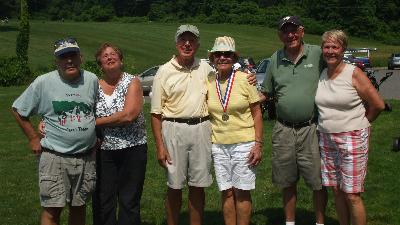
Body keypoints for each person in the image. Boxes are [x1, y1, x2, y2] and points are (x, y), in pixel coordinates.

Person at [11, 38, 98, 225]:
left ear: (80, 57)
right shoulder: (43, 82)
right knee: (52, 210)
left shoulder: (92, 80)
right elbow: (18, 110)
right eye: (63, 57)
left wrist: (95, 136)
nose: (69, 61)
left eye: (72, 55)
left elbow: (95, 111)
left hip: (86, 158)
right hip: (55, 157)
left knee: (79, 207)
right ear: (56, 61)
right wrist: (33, 138)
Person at [261, 16, 327, 225]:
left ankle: (320, 222)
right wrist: (243, 92)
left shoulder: (317, 54)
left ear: (302, 31)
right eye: (285, 31)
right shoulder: (275, 59)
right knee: (287, 181)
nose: (290, 35)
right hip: (284, 129)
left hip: (311, 128)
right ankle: (290, 222)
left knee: (318, 182)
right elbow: (266, 93)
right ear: (280, 35)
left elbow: (337, 70)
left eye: (294, 30)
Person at [316, 30, 385, 225]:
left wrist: (361, 124)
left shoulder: (353, 73)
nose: (330, 51)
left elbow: (378, 104)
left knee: (352, 194)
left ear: (343, 49)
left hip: (352, 138)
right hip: (326, 137)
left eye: (335, 47)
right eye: (327, 47)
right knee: (337, 190)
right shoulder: (322, 73)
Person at [150, 24, 214, 225]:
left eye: (192, 40)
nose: (187, 44)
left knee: (198, 186)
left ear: (197, 44)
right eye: (183, 40)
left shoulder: (206, 68)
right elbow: (155, 113)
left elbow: (224, 84)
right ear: (176, 43)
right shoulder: (164, 71)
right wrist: (160, 146)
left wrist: (248, 77)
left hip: (202, 128)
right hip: (173, 129)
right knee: (175, 186)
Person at [207, 36, 263, 225]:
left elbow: (257, 114)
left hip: (244, 143)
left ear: (234, 58)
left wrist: (258, 144)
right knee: (226, 191)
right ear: (213, 58)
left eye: (227, 54)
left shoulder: (246, 79)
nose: (223, 58)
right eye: (218, 54)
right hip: (219, 144)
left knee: (241, 191)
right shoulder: (208, 80)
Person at [93, 43, 147, 225]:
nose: (109, 57)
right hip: (104, 151)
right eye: (105, 55)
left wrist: (95, 122)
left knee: (129, 200)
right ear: (100, 63)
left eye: (113, 54)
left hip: (133, 149)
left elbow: (128, 116)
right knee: (103, 199)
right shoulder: (94, 87)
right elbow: (80, 111)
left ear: (121, 60)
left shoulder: (132, 82)